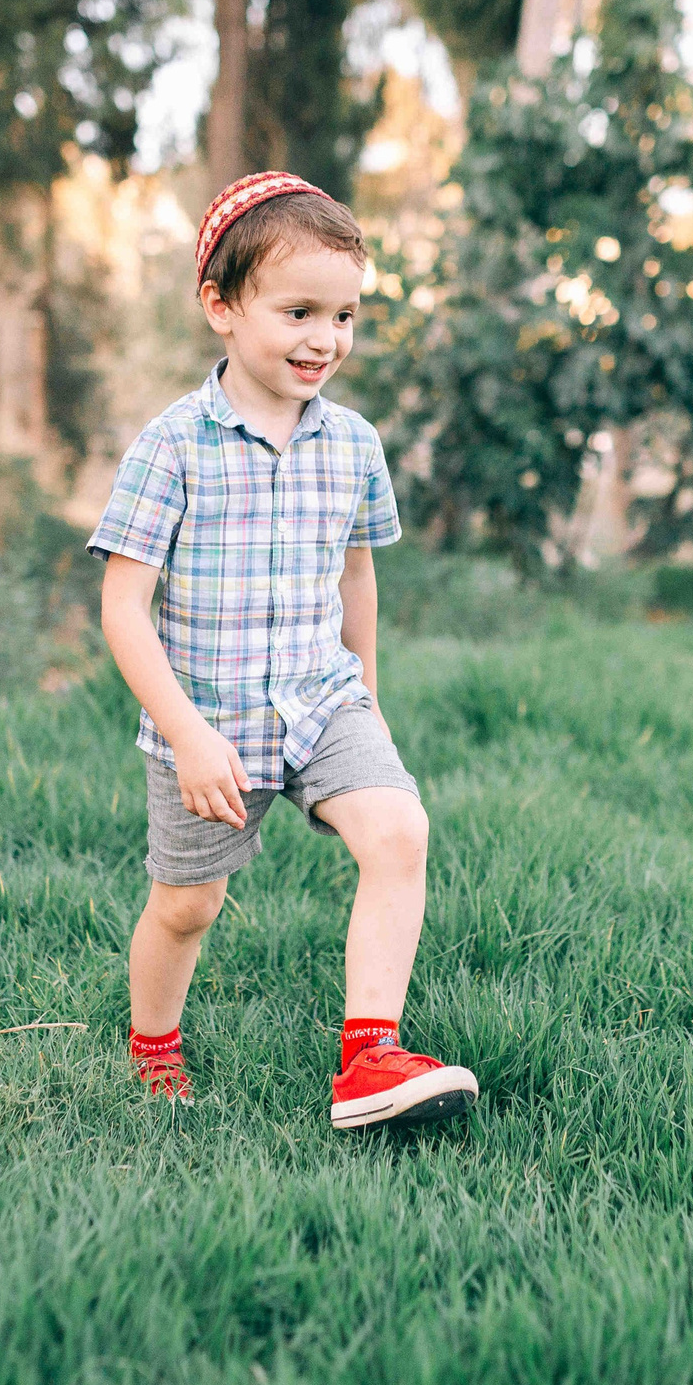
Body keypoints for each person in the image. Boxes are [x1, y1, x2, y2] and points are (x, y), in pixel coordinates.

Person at [85, 171, 477, 1130]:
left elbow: (357, 582)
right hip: (208, 721)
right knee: (189, 906)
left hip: (322, 699)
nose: (324, 339)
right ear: (220, 305)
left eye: (343, 315)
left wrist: (370, 702)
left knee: (400, 833)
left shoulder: (353, 444)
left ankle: (369, 1057)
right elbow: (123, 607)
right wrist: (185, 734)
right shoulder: (172, 446)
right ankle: (154, 1044)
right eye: (298, 310)